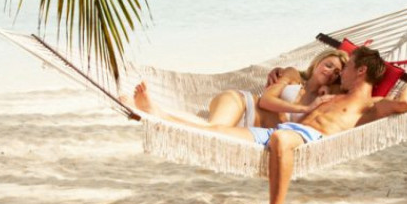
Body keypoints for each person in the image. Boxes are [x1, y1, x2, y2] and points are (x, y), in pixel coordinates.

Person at [133, 46, 407, 204]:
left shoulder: (370, 104)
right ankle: (157, 114)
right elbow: (303, 82)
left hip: (306, 139)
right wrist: (287, 76)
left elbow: (404, 103)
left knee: (281, 140)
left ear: (361, 70)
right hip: (280, 132)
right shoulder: (334, 92)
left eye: (348, 66)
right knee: (219, 134)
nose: (341, 72)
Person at [126, 49, 349, 129]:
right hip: (242, 103)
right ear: (317, 62)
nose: (330, 71)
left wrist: (325, 94)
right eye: (328, 64)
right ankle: (156, 112)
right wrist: (304, 108)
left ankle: (154, 111)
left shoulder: (328, 100)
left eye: (337, 72)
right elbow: (266, 101)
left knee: (210, 129)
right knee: (213, 130)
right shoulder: (292, 74)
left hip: (248, 130)